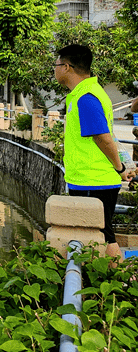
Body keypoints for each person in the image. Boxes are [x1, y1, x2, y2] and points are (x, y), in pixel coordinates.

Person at [55, 44, 134, 259]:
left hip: (94, 180)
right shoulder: (84, 94)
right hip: (89, 179)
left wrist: (120, 168)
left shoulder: (86, 98)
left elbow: (103, 137)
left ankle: (117, 282)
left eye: (57, 64)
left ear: (67, 67)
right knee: (100, 232)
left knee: (103, 234)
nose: (55, 69)